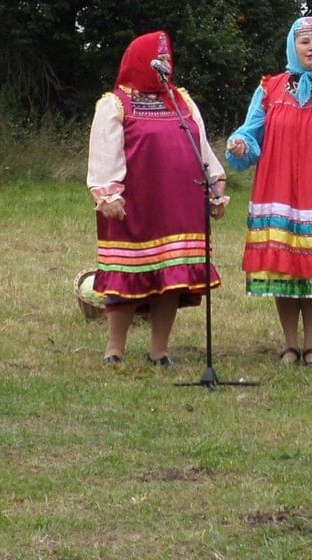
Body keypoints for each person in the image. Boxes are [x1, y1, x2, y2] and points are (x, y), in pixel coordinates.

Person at [226, 14, 312, 368]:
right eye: (305, 42)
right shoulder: (269, 88)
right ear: (292, 47)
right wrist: (241, 144)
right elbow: (251, 131)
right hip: (280, 187)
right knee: (286, 269)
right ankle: (289, 344)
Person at [87, 32, 228, 368]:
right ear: (139, 60)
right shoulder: (116, 103)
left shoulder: (183, 102)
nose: (165, 65)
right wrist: (108, 193)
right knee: (127, 275)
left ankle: (159, 350)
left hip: (180, 204)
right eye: (158, 59)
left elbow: (200, 146)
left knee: (171, 278)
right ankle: (114, 348)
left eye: (168, 59)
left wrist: (215, 184)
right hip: (136, 206)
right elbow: (104, 152)